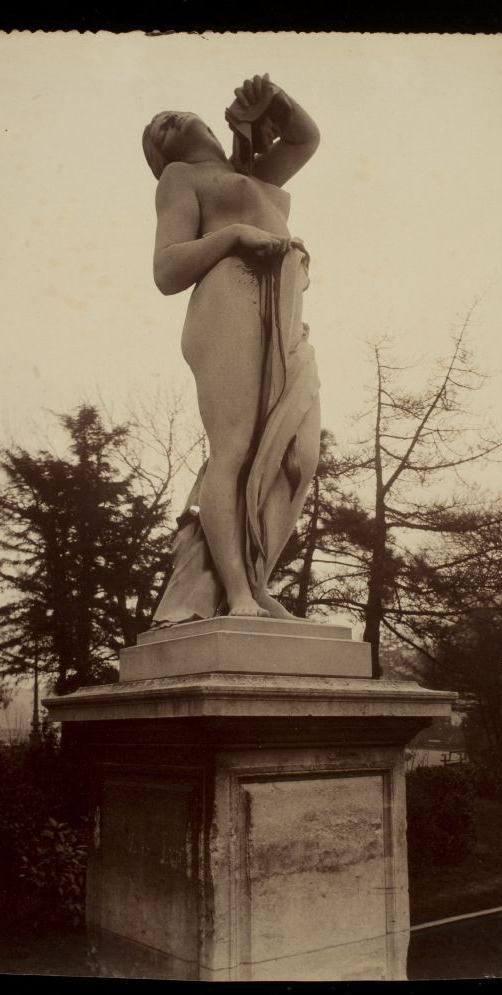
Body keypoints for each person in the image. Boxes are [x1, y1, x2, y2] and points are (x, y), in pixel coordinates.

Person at [142, 73, 322, 623]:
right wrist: (235, 236)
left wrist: (276, 102)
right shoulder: (181, 176)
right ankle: (240, 595)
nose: (169, 120)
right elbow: (167, 269)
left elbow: (306, 139)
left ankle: (252, 580)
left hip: (283, 310)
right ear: (161, 156)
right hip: (227, 302)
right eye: (159, 130)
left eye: (173, 113)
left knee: (299, 454)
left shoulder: (248, 172)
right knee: (237, 449)